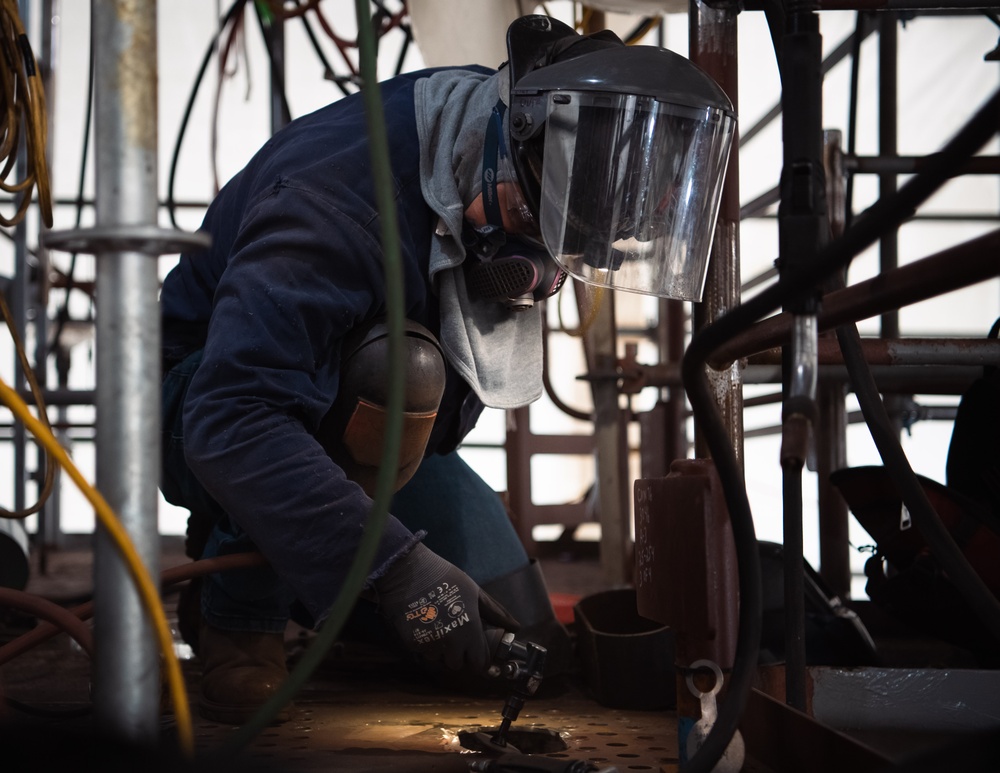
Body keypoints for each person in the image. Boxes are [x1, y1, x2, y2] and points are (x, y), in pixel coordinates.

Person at [160, 14, 735, 724]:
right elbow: (233, 413)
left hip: (353, 427)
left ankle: (305, 572)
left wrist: (409, 576)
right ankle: (239, 614)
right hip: (201, 402)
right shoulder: (334, 206)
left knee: (521, 646)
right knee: (397, 372)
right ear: (509, 159)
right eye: (537, 226)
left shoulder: (499, 123)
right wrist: (400, 570)